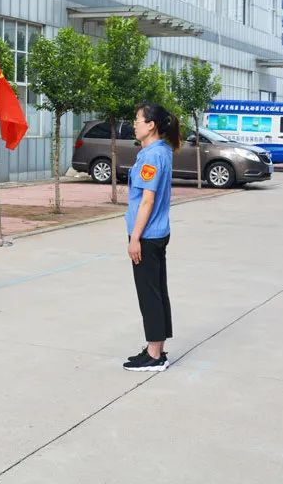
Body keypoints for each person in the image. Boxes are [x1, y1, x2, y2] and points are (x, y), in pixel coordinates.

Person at [122, 102, 180, 373]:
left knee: (150, 295)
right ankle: (155, 348)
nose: (134, 124)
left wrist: (135, 238)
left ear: (151, 125)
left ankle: (155, 355)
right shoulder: (159, 151)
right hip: (156, 232)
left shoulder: (152, 156)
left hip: (147, 235)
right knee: (157, 291)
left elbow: (147, 200)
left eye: (138, 120)